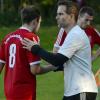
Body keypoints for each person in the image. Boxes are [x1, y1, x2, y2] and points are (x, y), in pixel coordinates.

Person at [22, 1, 98, 100]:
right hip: (73, 91)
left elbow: (57, 60)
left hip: (82, 91)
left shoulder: (75, 35)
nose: (57, 17)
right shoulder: (72, 34)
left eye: (61, 14)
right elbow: (60, 61)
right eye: (57, 14)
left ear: (71, 16)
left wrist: (35, 48)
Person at [0, 5, 56, 100]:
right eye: (40, 22)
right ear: (35, 21)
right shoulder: (31, 37)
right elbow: (35, 70)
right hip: (24, 92)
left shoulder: (7, 38)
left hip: (9, 91)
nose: (39, 25)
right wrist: (53, 66)